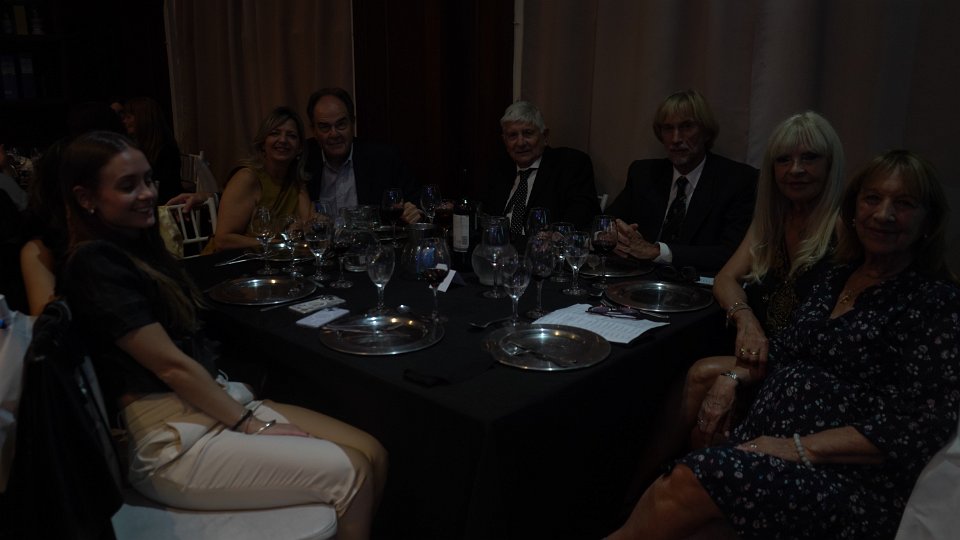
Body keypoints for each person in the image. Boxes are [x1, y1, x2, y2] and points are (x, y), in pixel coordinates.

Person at [608, 149, 960, 540]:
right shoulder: (839, 276)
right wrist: (731, 377)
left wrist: (797, 447)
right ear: (854, 209)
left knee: (683, 481)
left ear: (928, 221)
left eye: (904, 204)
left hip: (842, 477)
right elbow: (787, 348)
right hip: (770, 448)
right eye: (873, 199)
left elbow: (920, 426)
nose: (884, 214)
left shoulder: (935, 302)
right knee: (687, 518)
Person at [58, 131, 387, 540]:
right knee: (353, 472)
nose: (147, 194)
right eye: (128, 186)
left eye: (148, 180)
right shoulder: (93, 262)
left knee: (373, 453)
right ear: (86, 198)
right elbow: (171, 367)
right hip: (173, 438)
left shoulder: (137, 248)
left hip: (210, 401)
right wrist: (250, 424)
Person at [688, 111, 846, 447]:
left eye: (810, 158)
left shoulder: (844, 227)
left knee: (702, 375)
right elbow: (725, 278)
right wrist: (745, 319)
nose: (795, 169)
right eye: (783, 160)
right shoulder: (774, 218)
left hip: (805, 366)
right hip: (757, 352)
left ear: (831, 165)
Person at [605, 90, 758, 272]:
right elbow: (604, 223)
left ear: (706, 132)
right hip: (639, 279)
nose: (676, 139)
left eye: (686, 127)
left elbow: (731, 253)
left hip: (699, 282)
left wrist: (657, 251)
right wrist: (615, 236)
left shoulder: (737, 180)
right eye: (668, 129)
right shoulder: (644, 173)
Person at [304, 87, 420, 222]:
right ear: (313, 131)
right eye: (325, 127)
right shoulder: (304, 161)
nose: (334, 134)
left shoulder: (383, 158)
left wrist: (412, 211)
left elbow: (417, 202)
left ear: (352, 123)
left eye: (341, 124)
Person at [480, 100, 600, 232]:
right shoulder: (499, 169)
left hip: (544, 243)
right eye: (513, 135)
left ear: (545, 136)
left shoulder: (571, 165)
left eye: (527, 133)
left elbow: (581, 217)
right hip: (499, 242)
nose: (520, 143)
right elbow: (485, 217)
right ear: (505, 141)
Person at [211, 106, 311, 251]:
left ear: (300, 147)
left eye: (291, 136)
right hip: (236, 260)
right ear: (263, 143)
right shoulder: (247, 178)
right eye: (275, 133)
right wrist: (278, 244)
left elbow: (308, 225)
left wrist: (303, 225)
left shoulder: (296, 181)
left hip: (277, 260)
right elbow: (223, 240)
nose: (283, 140)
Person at [122, 97, 184, 204]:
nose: (124, 121)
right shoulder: (138, 146)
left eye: (128, 117)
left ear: (143, 119)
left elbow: (165, 189)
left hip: (166, 204)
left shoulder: (166, 150)